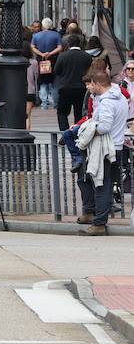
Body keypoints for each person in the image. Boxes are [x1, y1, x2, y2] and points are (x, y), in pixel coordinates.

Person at [76, 65, 127, 235]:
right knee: (101, 183)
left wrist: (89, 130)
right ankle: (94, 215)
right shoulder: (119, 97)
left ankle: (99, 222)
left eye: (92, 84)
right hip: (116, 145)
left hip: (106, 147)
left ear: (97, 84)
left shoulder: (106, 102)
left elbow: (104, 126)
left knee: (101, 185)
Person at [55, 35, 93, 131]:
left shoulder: (63, 56)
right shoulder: (87, 56)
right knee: (79, 112)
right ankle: (78, 131)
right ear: (80, 43)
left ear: (68, 44)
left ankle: (64, 131)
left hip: (65, 87)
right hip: (81, 87)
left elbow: (56, 71)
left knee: (62, 112)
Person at [32, 17, 62, 109]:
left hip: (41, 60)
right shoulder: (56, 35)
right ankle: (55, 103)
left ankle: (44, 103)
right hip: (53, 60)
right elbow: (60, 47)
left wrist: (42, 54)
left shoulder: (36, 36)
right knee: (54, 82)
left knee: (43, 82)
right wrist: (50, 53)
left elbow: (32, 47)